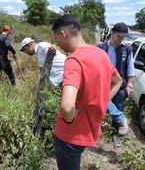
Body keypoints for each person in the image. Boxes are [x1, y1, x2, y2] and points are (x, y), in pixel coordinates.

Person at [52, 14, 122, 169]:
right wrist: (103, 102)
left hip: (70, 134)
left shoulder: (74, 60)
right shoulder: (101, 54)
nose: (57, 44)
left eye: (57, 39)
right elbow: (118, 81)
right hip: (90, 129)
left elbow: (67, 107)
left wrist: (69, 119)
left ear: (64, 34)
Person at [97, 22, 134, 147]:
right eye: (119, 36)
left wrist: (129, 85)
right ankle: (96, 129)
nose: (121, 39)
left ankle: (115, 134)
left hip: (121, 85)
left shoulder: (127, 49)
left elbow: (130, 69)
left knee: (118, 108)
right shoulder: (101, 48)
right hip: (103, 84)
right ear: (112, 33)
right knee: (100, 105)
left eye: (123, 37)